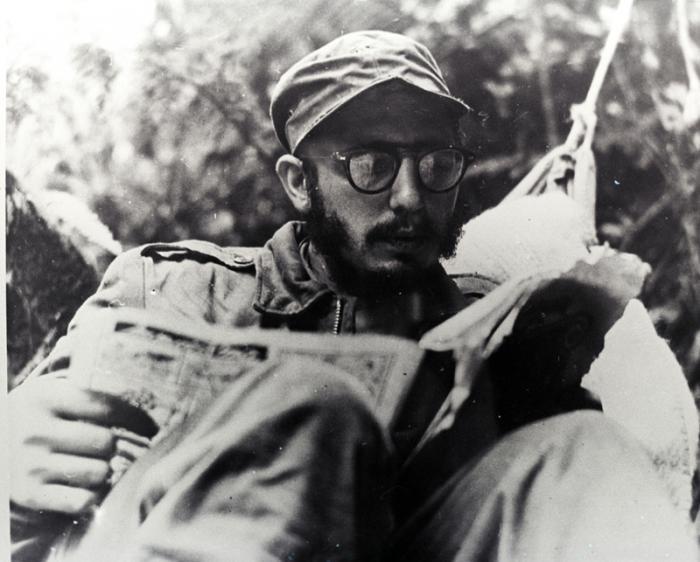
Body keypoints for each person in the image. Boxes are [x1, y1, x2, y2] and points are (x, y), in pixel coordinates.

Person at [9, 30, 698, 562]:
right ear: (298, 183)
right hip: (176, 537)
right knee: (313, 406)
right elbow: (32, 452)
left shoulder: (490, 324)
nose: (410, 198)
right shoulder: (174, 288)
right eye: (372, 165)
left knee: (582, 448)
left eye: (436, 164)